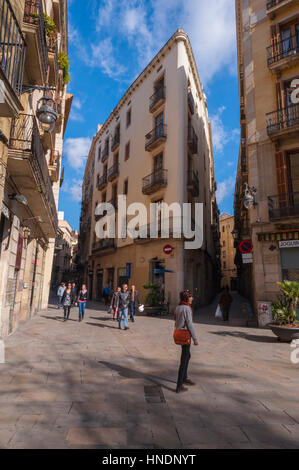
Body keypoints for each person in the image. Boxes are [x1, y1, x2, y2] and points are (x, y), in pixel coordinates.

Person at [174, 290, 198, 394]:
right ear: (186, 298)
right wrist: (195, 339)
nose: (192, 298)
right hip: (185, 334)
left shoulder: (178, 307)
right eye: (191, 297)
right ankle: (179, 385)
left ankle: (184, 377)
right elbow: (189, 324)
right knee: (184, 359)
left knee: (187, 355)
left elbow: (175, 319)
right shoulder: (187, 308)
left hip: (178, 333)